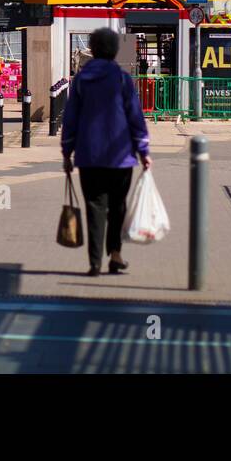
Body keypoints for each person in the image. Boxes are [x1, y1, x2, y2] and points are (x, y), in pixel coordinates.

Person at [61, 27, 152, 277]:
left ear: (93, 48)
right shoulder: (123, 79)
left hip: (88, 156)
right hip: (120, 156)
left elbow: (71, 119)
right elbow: (136, 117)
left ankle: (94, 262)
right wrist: (143, 150)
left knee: (94, 207)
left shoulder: (80, 80)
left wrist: (66, 152)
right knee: (117, 206)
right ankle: (115, 253)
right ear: (114, 50)